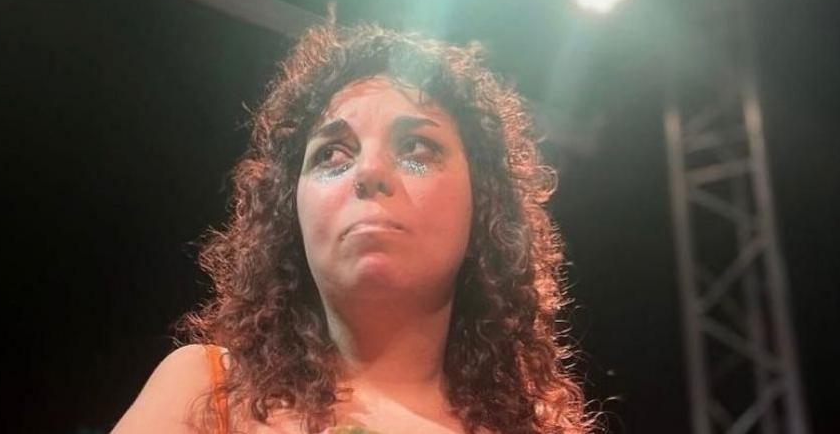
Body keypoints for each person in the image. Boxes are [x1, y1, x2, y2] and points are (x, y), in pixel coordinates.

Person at [112, 23, 592, 434]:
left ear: (483, 203)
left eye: (417, 149)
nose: (369, 171)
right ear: (288, 215)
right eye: (331, 154)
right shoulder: (207, 392)